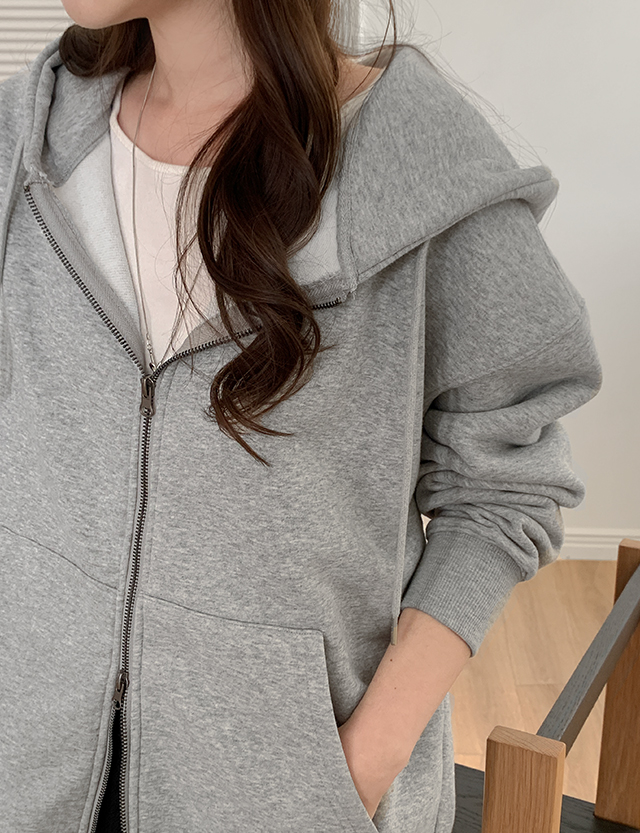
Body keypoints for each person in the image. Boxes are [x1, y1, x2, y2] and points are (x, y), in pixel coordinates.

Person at [0, 0, 603, 831]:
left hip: (278, 801)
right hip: (27, 774)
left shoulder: (420, 166)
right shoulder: (32, 140)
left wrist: (356, 768)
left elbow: (506, 486)